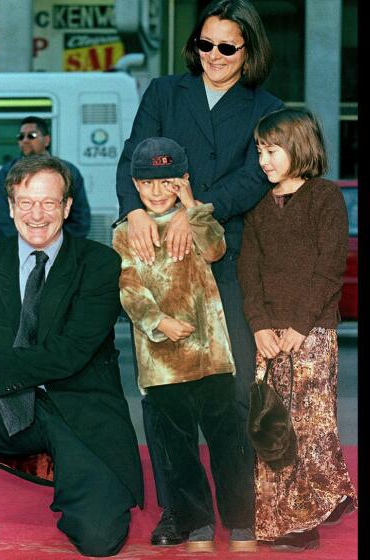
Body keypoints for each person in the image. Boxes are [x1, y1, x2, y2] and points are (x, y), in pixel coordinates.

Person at [0, 155, 144, 557]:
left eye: (49, 203)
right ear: (12, 207)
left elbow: (68, 354)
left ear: (67, 207)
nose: (37, 214)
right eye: (26, 203)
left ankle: (82, 492)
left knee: (100, 541)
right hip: (9, 404)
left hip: (78, 407)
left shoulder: (100, 265)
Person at [113, 0, 283, 546]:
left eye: (227, 47)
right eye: (205, 44)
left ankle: (241, 511)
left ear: (249, 51)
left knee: (232, 393)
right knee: (166, 399)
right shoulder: (164, 93)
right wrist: (134, 211)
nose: (213, 55)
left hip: (226, 261)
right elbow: (130, 158)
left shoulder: (267, 107)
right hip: (158, 267)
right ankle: (182, 513)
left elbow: (255, 179)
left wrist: (195, 210)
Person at [113, 137, 256, 553]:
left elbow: (216, 248)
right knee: (178, 452)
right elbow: (129, 289)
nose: (158, 192)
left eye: (169, 182)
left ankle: (242, 522)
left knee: (229, 444)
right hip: (161, 363)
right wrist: (158, 321)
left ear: (184, 181)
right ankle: (197, 525)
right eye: (148, 184)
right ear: (135, 186)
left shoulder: (196, 219)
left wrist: (193, 206)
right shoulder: (125, 234)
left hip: (212, 357)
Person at [237, 108, 358, 551]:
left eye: (272, 150)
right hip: (267, 337)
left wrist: (300, 326)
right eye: (259, 151)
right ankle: (274, 521)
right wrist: (259, 326)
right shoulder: (257, 205)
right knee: (270, 424)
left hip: (312, 333)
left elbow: (329, 269)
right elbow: (248, 269)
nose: (264, 160)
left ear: (299, 148)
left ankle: (305, 518)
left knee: (308, 426)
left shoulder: (324, 197)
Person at [0, 116, 91, 240]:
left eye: (31, 135)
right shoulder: (7, 173)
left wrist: (61, 248)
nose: (25, 140)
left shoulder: (68, 171)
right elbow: (2, 220)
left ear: (47, 140)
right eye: (21, 137)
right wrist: (17, 251)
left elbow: (80, 218)